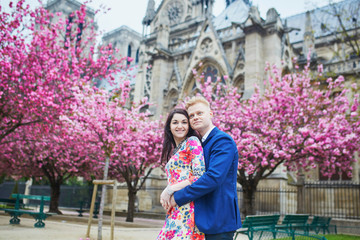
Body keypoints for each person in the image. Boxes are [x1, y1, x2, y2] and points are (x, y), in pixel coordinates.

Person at [161, 96, 242, 240]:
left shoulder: (222, 140)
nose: (195, 117)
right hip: (201, 218)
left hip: (218, 219)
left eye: (200, 113)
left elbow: (212, 178)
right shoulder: (200, 144)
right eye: (191, 115)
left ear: (210, 114)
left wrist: (177, 197)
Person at [156, 108, 206, 240]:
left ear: (189, 126)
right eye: (175, 122)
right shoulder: (175, 150)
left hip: (188, 209)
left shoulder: (192, 141)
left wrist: (170, 189)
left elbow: (199, 175)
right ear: (169, 126)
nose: (180, 126)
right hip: (175, 209)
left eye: (184, 122)